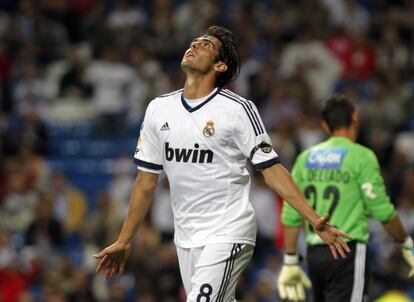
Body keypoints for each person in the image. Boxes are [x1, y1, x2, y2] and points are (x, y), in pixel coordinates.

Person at [94, 26, 351, 302]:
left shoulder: (237, 109)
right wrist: (123, 240)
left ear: (220, 64)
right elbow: (145, 182)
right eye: (194, 41)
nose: (194, 45)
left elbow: (272, 169)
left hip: (229, 231)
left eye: (205, 44)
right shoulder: (159, 109)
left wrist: (314, 219)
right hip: (186, 238)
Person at [278, 95, 414, 302]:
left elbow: (290, 214)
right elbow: (382, 210)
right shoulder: (361, 156)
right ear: (355, 118)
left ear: (325, 125)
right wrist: (406, 243)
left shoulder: (306, 158)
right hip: (347, 251)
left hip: (315, 253)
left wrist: (290, 260)